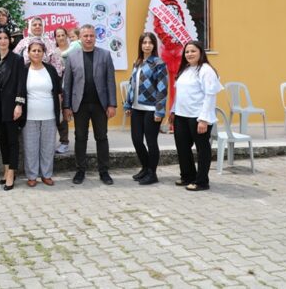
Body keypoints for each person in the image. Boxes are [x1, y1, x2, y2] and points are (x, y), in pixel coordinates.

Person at [62, 24, 116, 186]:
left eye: (91, 35)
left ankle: (104, 171)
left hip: (100, 105)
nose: (88, 38)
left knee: (101, 137)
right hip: (80, 105)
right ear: (80, 38)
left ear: (95, 37)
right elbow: (68, 84)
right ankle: (80, 170)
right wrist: (66, 106)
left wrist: (112, 104)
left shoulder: (105, 55)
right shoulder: (72, 57)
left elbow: (110, 81)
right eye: (85, 36)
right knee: (80, 138)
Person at [169, 40, 223, 191]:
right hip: (181, 116)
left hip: (198, 117)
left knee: (202, 148)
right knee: (182, 147)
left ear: (201, 52)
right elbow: (179, 94)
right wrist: (173, 111)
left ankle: (201, 181)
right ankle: (187, 176)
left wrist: (204, 119)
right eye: (187, 52)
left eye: (193, 51)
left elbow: (210, 96)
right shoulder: (185, 70)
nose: (189, 54)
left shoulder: (206, 70)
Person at [124, 33, 168, 185]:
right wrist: (128, 104)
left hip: (151, 109)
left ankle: (152, 173)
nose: (147, 45)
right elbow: (132, 85)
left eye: (150, 42)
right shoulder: (137, 62)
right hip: (136, 108)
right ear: (140, 45)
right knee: (136, 139)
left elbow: (163, 88)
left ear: (154, 45)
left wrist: (159, 111)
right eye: (144, 42)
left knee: (151, 141)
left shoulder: (159, 63)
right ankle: (145, 167)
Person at [21, 40, 62, 187]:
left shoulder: (50, 70)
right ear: (29, 53)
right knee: (30, 147)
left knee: (48, 147)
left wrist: (61, 111)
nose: (36, 53)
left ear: (44, 53)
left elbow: (58, 92)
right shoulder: (24, 70)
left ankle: (46, 175)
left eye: (39, 50)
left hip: (49, 115)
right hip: (30, 116)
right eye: (34, 50)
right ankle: (32, 176)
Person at [0, 28, 25, 191]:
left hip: (12, 107)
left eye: (5, 38)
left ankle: (12, 173)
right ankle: (5, 170)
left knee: (12, 142)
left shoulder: (17, 59)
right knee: (2, 141)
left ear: (10, 40)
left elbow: (21, 83)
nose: (2, 41)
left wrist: (19, 104)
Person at [53, 27, 71, 154]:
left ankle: (69, 141)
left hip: (72, 85)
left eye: (62, 35)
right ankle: (63, 141)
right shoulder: (53, 52)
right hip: (58, 85)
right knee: (60, 113)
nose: (60, 37)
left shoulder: (74, 50)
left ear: (66, 36)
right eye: (58, 35)